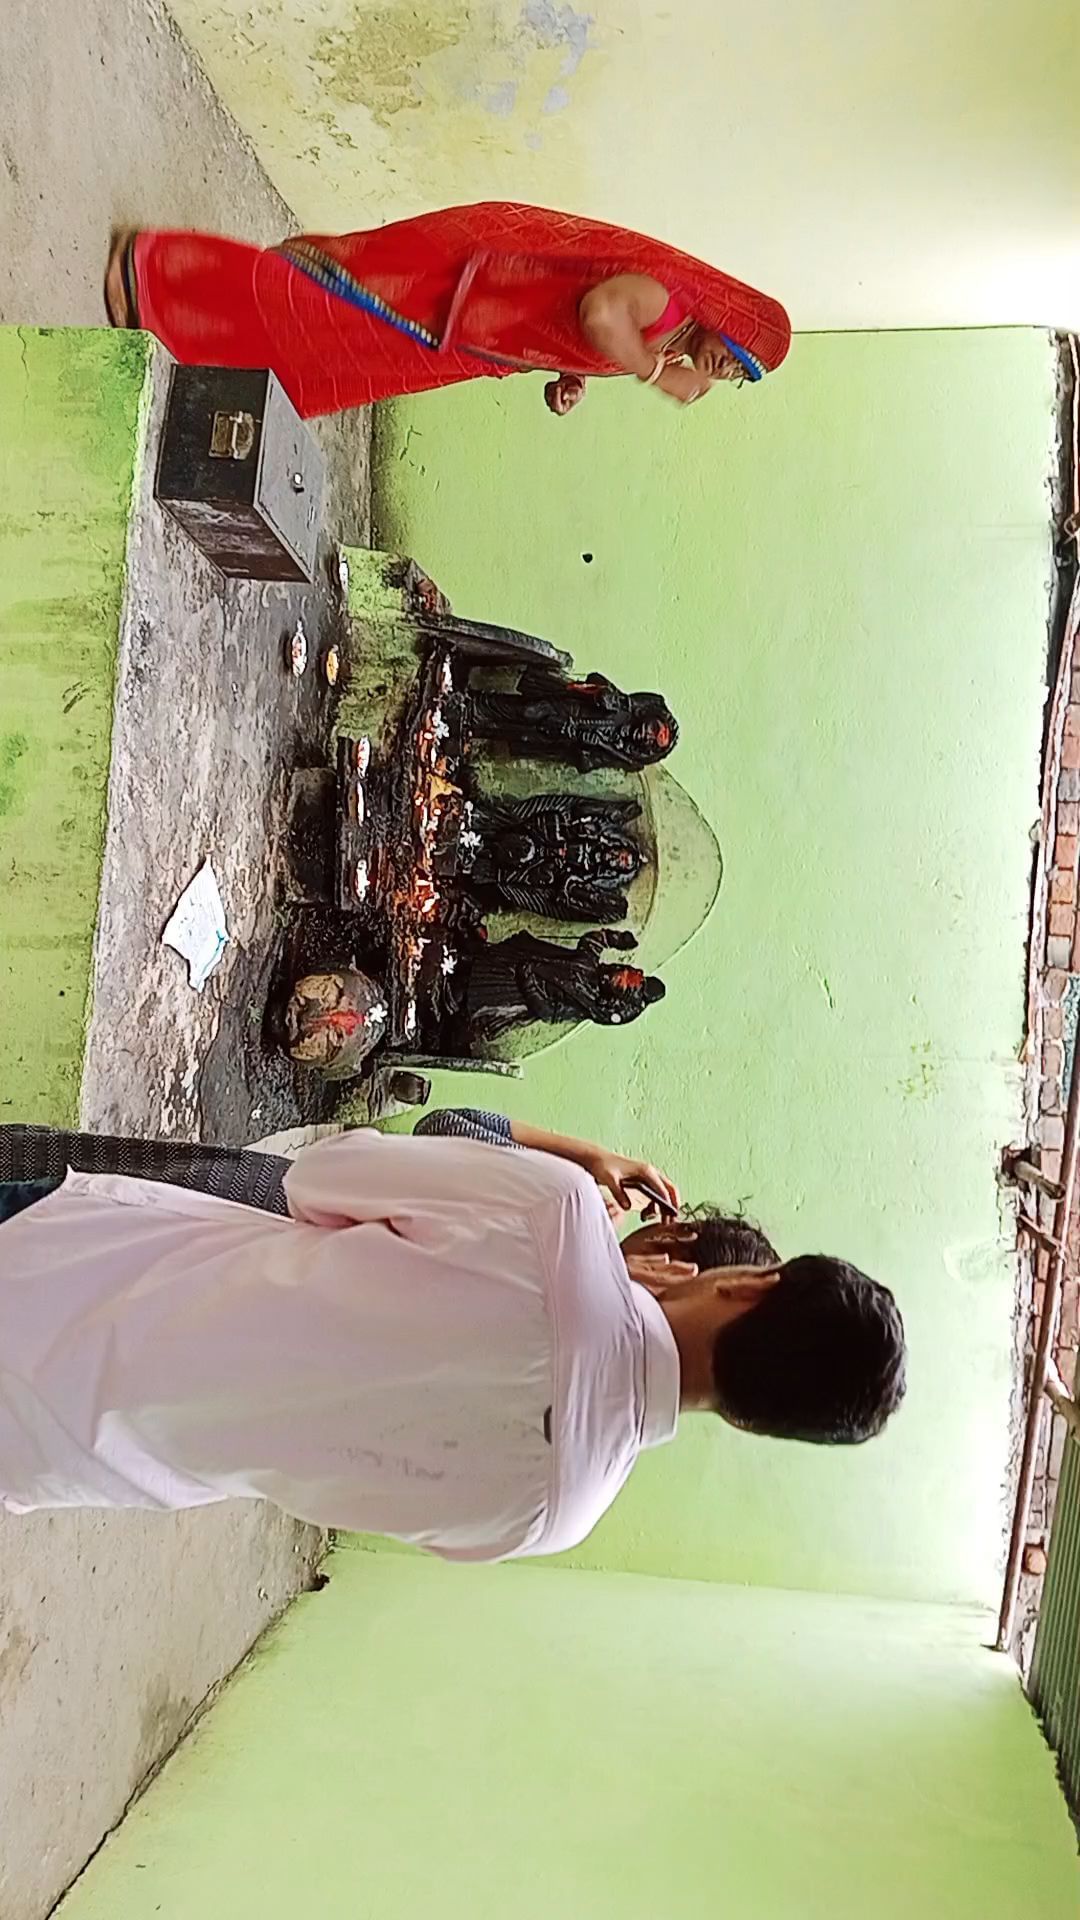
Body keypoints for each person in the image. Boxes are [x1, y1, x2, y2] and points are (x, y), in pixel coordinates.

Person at [0, 1113, 905, 1553]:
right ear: (753, 1421)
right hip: (65, 1456)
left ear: (749, 1286)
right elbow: (330, 1492)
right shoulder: (558, 1516)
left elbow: (321, 1176)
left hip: (64, 1268)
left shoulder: (556, 1216)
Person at [103, 202, 791, 420]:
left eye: (740, 375)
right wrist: (654, 374)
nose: (726, 369)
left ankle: (194, 335)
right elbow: (601, 312)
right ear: (730, 321)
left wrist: (570, 374)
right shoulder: (668, 301)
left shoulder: (671, 334)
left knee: (339, 356)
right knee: (322, 311)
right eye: (738, 357)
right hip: (459, 290)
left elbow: (578, 320)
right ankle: (156, 274)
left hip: (471, 332)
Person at [464, 928, 666, 1042]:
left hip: (512, 992)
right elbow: (592, 942)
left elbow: (548, 1012)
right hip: (519, 959)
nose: (621, 974)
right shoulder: (589, 966)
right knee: (478, 959)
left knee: (465, 992)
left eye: (622, 982)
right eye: (625, 972)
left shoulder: (586, 1001)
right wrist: (616, 939)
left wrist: (529, 983)